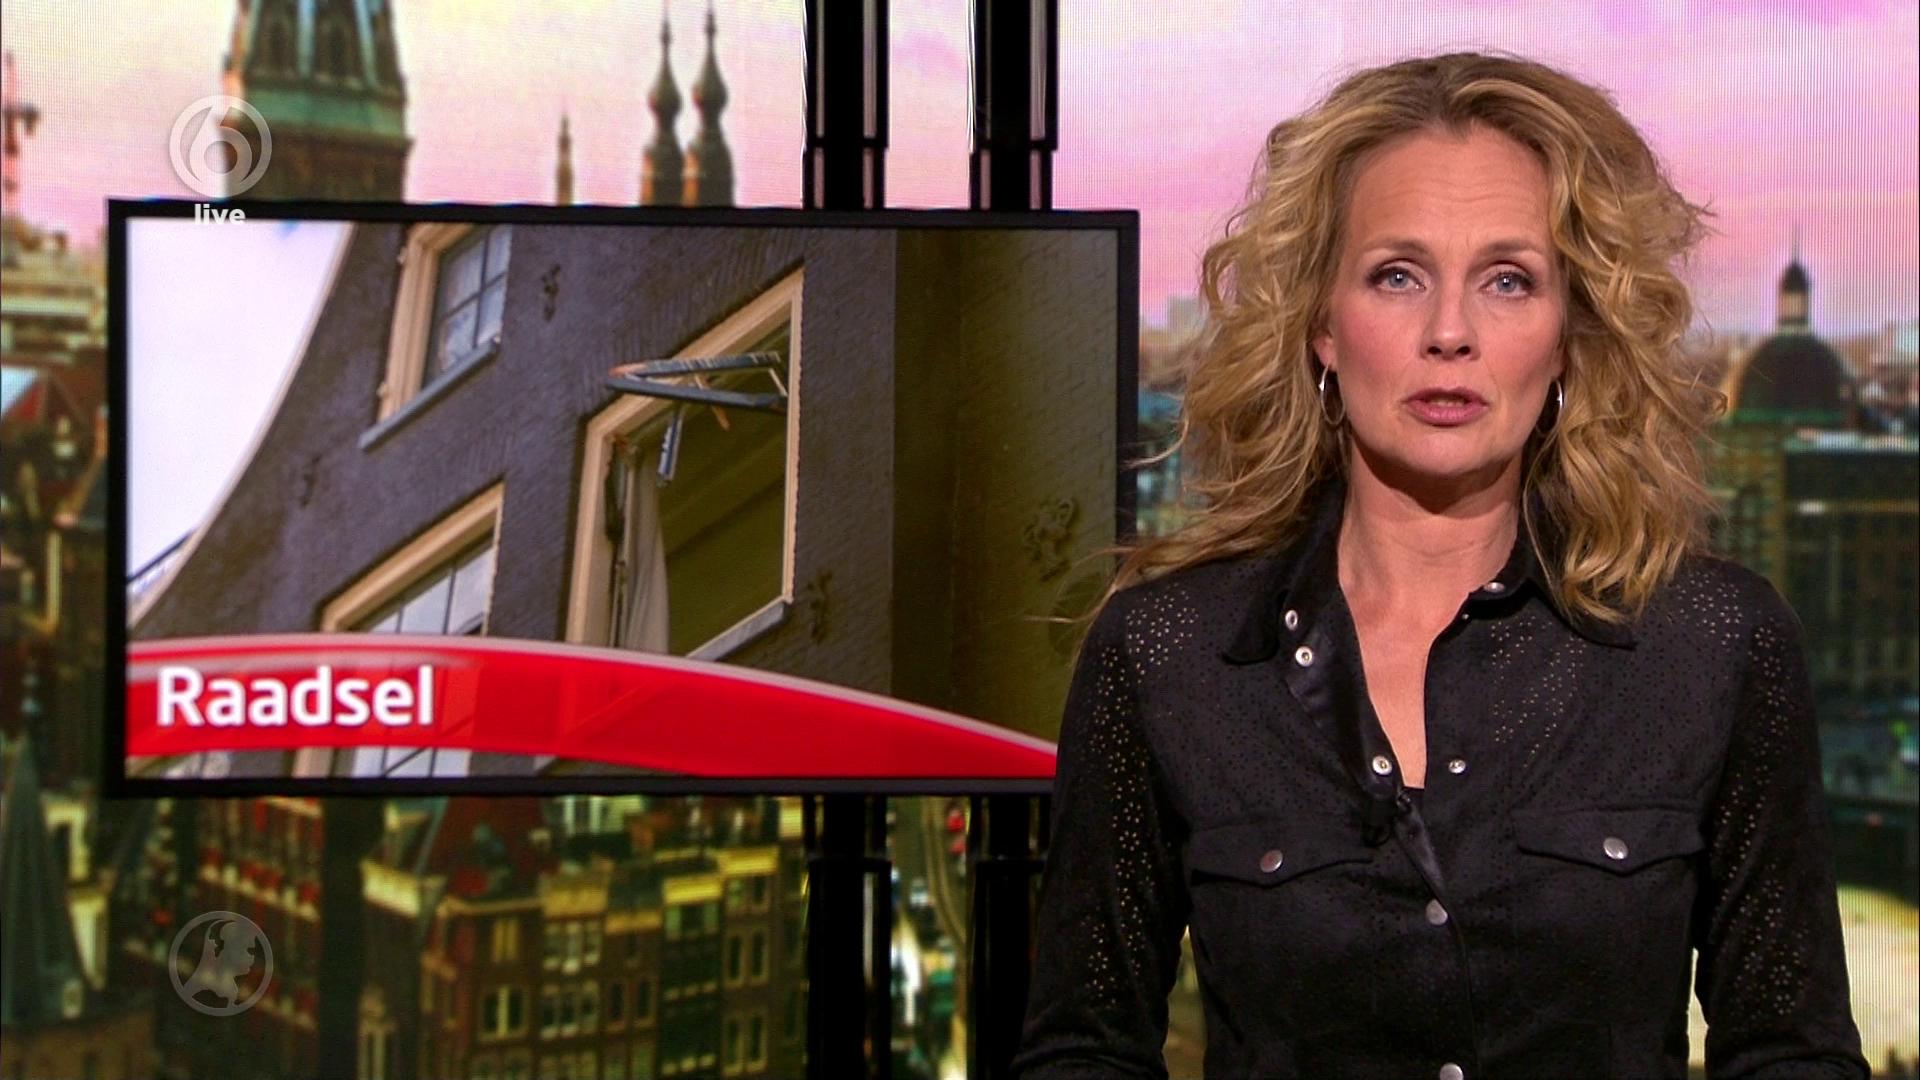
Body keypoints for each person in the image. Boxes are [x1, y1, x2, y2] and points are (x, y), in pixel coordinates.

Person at [1011, 52, 1868, 1079]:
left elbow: (1790, 1054)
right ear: (1323, 326)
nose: (1449, 333)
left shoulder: (1712, 645)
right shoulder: (1169, 653)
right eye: (1397, 275)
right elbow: (1082, 1051)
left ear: (1569, 335)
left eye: (1508, 281)